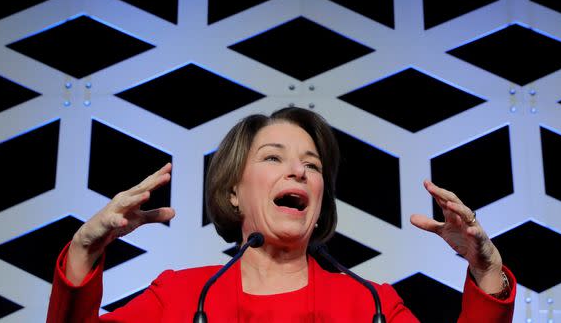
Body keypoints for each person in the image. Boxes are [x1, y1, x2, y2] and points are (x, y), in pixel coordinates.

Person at [47, 107, 515, 322]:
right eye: (273, 158)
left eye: (311, 166)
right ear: (234, 191)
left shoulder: (369, 305)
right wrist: (85, 251)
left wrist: (486, 267)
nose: (297, 171)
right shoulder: (182, 296)